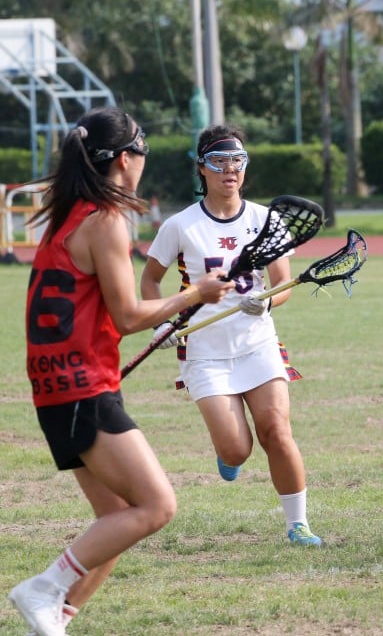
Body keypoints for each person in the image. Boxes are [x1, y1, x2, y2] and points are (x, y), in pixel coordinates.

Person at [8, 107, 234, 636]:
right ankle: (42, 589)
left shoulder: (66, 213)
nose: (143, 164)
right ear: (125, 159)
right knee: (156, 506)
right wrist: (196, 293)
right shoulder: (106, 219)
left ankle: (56, 618)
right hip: (81, 386)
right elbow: (129, 315)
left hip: (56, 388)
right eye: (143, 152)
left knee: (118, 520)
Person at [139, 124, 323, 547]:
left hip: (257, 344)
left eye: (237, 160)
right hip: (205, 353)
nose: (230, 169)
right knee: (238, 450)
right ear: (201, 168)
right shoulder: (180, 225)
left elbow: (284, 283)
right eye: (219, 161)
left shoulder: (265, 218)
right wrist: (162, 321)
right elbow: (150, 281)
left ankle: (298, 524)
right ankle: (228, 455)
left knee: (276, 431)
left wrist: (268, 301)